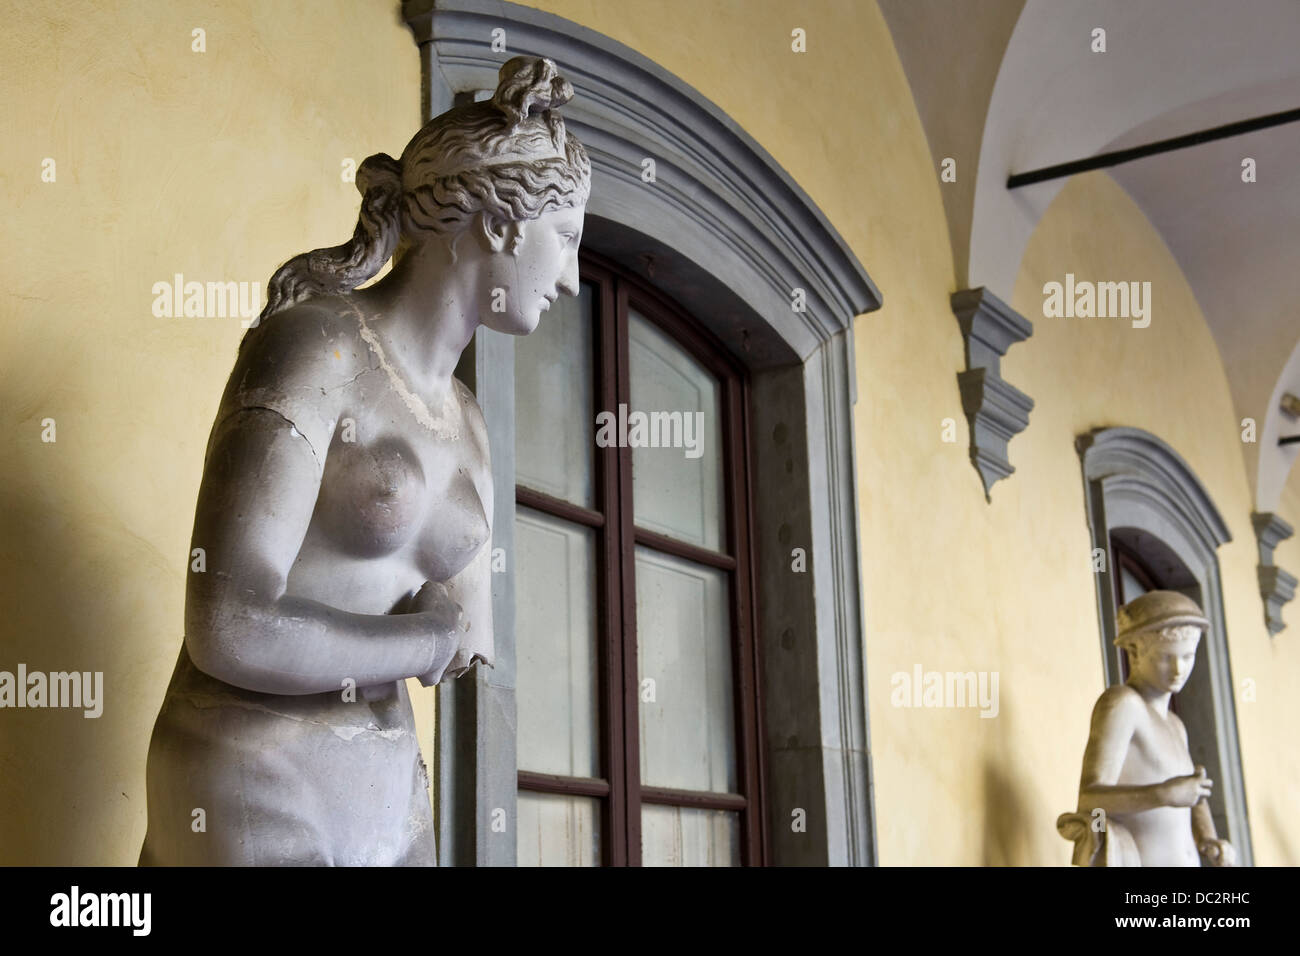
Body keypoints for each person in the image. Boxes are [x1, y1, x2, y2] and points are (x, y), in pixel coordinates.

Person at [139, 56, 590, 865]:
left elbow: (463, 640)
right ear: (499, 225)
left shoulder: (472, 426)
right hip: (250, 768)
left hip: (386, 786)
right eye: (566, 241)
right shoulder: (316, 347)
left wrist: (451, 631)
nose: (573, 280)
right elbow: (228, 625)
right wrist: (425, 641)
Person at [1058, 590, 1236, 866]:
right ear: (1134, 651)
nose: (1178, 669)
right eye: (1166, 657)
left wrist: (1209, 840)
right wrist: (1163, 794)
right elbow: (1089, 798)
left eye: (1187, 657)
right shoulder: (1123, 705)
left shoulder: (1176, 725)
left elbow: (1190, 794)